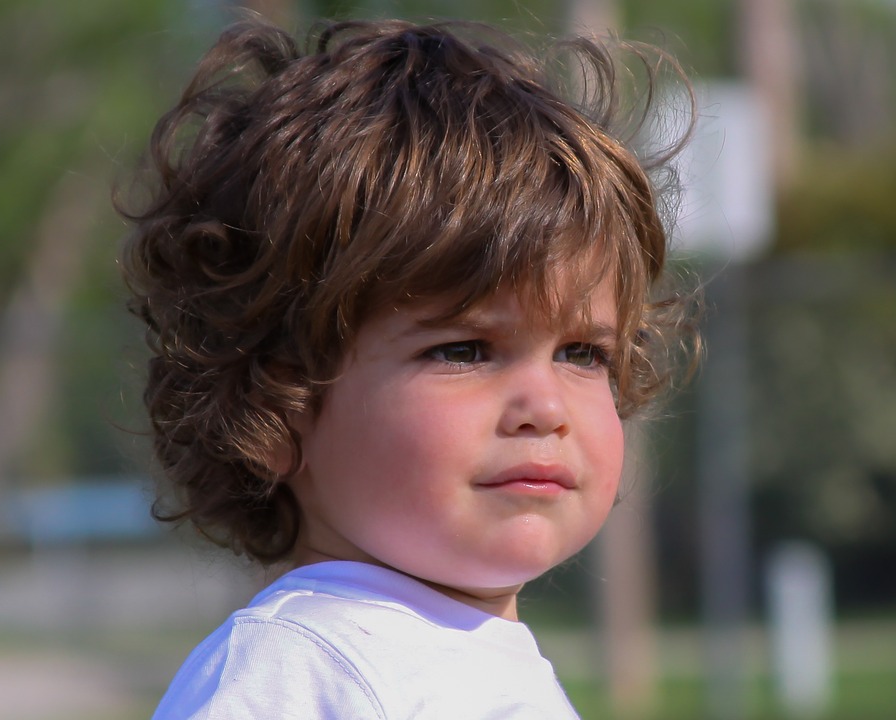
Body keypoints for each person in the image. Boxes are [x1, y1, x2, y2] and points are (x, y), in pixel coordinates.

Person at [118, 16, 695, 719]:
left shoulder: (457, 657)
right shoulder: (300, 668)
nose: (544, 406)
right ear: (272, 408)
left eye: (581, 353)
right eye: (464, 350)